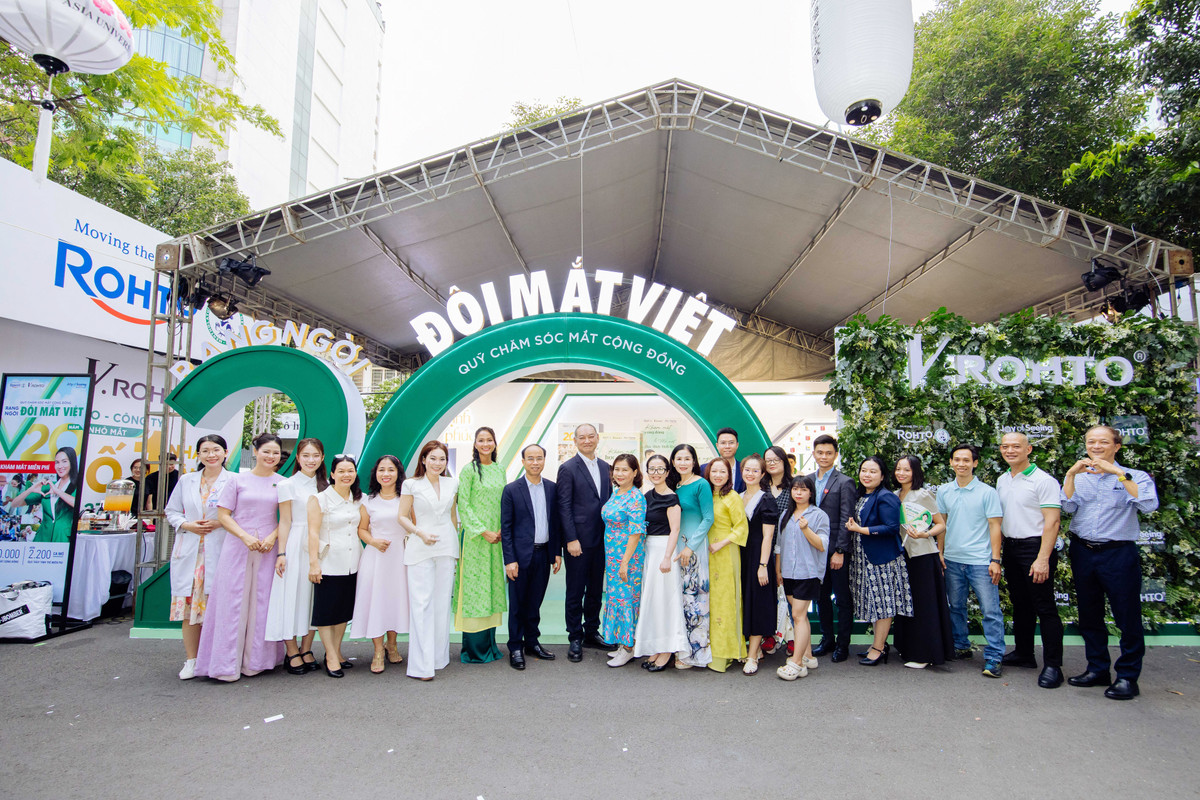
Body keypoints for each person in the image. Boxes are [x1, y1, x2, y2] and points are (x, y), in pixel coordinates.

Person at [1061, 425, 1158, 700]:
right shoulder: (1081, 476)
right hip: (1083, 551)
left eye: (1103, 442)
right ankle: (1097, 669)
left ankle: (1127, 676)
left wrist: (1118, 473)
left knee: (1127, 616)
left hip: (1118, 553)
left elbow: (1148, 505)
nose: (1096, 446)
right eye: (1091, 441)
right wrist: (1070, 475)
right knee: (1089, 615)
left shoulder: (1134, 476)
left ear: (1116, 446)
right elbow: (1066, 506)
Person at [194, 433, 286, 681]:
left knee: (262, 602)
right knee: (231, 602)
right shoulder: (237, 480)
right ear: (255, 452)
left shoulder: (283, 483)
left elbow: (288, 518)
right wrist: (244, 537)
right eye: (266, 451)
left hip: (267, 548)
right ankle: (224, 664)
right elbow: (223, 516)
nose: (271, 456)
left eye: (275, 453)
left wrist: (272, 538)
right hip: (237, 546)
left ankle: (257, 661)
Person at [996, 433, 1065, 689]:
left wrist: (1043, 558)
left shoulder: (1043, 480)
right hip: (1012, 548)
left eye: (1016, 446)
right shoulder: (1003, 479)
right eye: (1005, 446)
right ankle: (1025, 653)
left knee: (1044, 607)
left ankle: (1053, 666)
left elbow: (1053, 522)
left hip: (1035, 548)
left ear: (1029, 449)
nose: (1010, 450)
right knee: (1020, 604)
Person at [164, 435, 234, 680]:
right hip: (191, 554)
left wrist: (221, 522)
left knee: (219, 610)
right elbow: (171, 511)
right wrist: (187, 524)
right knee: (190, 611)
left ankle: (217, 659)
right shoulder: (187, 480)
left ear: (225, 452)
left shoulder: (234, 480)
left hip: (220, 550)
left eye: (216, 450)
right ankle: (192, 660)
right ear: (198, 455)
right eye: (205, 451)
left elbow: (242, 514)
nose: (211, 455)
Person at [936, 444, 1005, 678]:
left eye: (966, 460)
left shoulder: (987, 492)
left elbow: (995, 526)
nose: (961, 464)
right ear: (951, 462)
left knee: (990, 611)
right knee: (956, 607)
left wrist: (995, 559)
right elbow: (942, 524)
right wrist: (940, 552)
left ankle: (994, 656)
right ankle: (961, 645)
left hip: (981, 561)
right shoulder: (944, 491)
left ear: (975, 463)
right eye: (957, 459)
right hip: (952, 560)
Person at [397, 441, 460, 681]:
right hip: (420, 547)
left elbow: (452, 516)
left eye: (442, 459)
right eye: (432, 458)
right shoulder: (411, 484)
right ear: (423, 460)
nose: (437, 463)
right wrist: (419, 532)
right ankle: (421, 666)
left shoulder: (452, 483)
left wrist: (455, 547)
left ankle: (437, 659)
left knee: (441, 604)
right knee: (421, 604)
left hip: (446, 547)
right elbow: (402, 516)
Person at [265, 437, 327, 674]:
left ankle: (307, 648)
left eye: (315, 456)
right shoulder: (287, 485)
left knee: (313, 599)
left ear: (322, 458)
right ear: (298, 458)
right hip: (294, 544)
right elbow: (285, 521)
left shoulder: (326, 486)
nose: (311, 460)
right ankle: (291, 651)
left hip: (319, 546)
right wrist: (281, 553)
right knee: (290, 596)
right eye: (306, 456)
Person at [846, 455, 912, 667]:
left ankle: (878, 648)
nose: (867, 475)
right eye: (864, 470)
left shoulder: (886, 497)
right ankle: (878, 644)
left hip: (881, 561)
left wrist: (861, 529)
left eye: (873, 471)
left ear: (882, 476)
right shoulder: (862, 495)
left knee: (883, 605)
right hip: (863, 559)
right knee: (874, 604)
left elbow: (891, 528)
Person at [500, 444, 562, 670]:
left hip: (543, 554)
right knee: (518, 604)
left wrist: (556, 552)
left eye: (539, 458)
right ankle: (515, 646)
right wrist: (509, 560)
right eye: (531, 458)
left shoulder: (552, 488)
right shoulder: (511, 490)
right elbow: (506, 528)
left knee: (535, 602)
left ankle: (532, 642)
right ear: (523, 461)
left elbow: (555, 523)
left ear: (544, 460)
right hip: (519, 557)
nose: (535, 462)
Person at [307, 455, 367, 678]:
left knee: (343, 610)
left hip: (352, 562)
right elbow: (313, 532)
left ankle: (337, 651)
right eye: (341, 471)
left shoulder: (359, 499)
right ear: (332, 474)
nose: (346, 475)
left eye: (350, 470)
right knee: (326, 611)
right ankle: (330, 656)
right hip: (328, 562)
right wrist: (314, 563)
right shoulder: (319, 499)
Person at [891, 455, 953, 669]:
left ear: (915, 472)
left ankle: (925, 654)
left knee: (924, 605)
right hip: (902, 556)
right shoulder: (894, 495)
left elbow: (940, 524)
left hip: (922, 555)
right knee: (907, 604)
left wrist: (925, 534)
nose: (901, 473)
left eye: (906, 470)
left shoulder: (922, 494)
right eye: (898, 469)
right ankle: (908, 648)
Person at [556, 423, 612, 662]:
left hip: (602, 540)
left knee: (595, 590)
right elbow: (564, 506)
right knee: (575, 590)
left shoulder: (606, 467)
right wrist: (571, 539)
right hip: (578, 542)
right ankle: (575, 637)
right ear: (575, 441)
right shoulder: (567, 468)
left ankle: (591, 631)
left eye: (591, 436)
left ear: (597, 438)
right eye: (582, 437)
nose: (587, 440)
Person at [351, 455, 410, 674]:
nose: (386, 474)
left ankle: (392, 645)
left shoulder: (406, 499)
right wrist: (374, 542)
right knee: (375, 601)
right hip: (375, 557)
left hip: (399, 558)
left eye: (391, 470)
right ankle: (377, 650)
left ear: (398, 473)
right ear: (375, 473)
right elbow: (361, 529)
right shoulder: (368, 501)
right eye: (381, 470)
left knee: (395, 601)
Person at [454, 427, 508, 664]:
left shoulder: (499, 469)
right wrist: (483, 531)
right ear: (475, 444)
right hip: (475, 539)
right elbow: (463, 505)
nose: (485, 444)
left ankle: (490, 645)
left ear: (495, 443)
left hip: (496, 539)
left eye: (489, 440)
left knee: (491, 587)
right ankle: (475, 649)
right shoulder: (469, 470)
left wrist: (501, 529)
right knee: (475, 589)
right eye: (481, 440)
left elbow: (504, 502)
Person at [633, 454, 688, 671]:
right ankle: (656, 647)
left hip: (665, 551)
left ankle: (667, 650)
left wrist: (667, 557)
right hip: (649, 550)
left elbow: (675, 529)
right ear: (647, 472)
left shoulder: (672, 498)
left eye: (660, 469)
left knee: (666, 600)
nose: (656, 473)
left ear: (667, 472)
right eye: (652, 469)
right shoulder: (646, 496)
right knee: (653, 600)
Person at [775, 475, 829, 680]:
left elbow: (822, 545)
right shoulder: (785, 514)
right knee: (801, 616)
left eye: (804, 489)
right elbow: (779, 545)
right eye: (795, 489)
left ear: (811, 493)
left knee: (798, 615)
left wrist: (806, 529)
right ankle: (808, 656)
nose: (799, 493)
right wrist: (778, 570)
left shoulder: (819, 515)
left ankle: (796, 663)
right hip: (788, 572)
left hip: (808, 572)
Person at [808, 434, 857, 662]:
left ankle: (843, 645)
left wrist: (840, 551)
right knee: (821, 598)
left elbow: (847, 518)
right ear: (814, 453)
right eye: (820, 452)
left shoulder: (845, 482)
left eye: (829, 453)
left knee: (843, 599)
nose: (824, 457)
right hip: (814, 550)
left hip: (836, 551)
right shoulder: (807, 480)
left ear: (835, 455)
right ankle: (827, 639)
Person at [669, 444, 714, 669]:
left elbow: (708, 518)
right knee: (680, 600)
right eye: (679, 458)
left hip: (693, 550)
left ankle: (697, 654)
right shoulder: (674, 486)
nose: (683, 462)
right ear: (673, 462)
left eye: (687, 458)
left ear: (694, 461)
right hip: (676, 549)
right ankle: (681, 649)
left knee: (696, 601)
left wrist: (690, 548)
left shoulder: (701, 484)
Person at [601, 453, 647, 667]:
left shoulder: (636, 498)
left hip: (628, 557)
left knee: (627, 599)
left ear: (635, 472)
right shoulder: (616, 492)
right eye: (617, 469)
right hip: (613, 556)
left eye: (625, 470)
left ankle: (629, 647)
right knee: (616, 598)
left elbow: (636, 532)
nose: (619, 474)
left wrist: (625, 561)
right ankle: (622, 643)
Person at [706, 457, 748, 672]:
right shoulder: (705, 496)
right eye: (714, 471)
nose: (718, 475)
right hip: (706, 553)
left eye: (723, 472)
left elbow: (741, 527)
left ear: (729, 475)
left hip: (725, 552)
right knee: (710, 602)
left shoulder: (732, 497)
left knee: (725, 601)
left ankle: (724, 653)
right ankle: (707, 650)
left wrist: (722, 543)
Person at [740, 454, 778, 675]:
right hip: (740, 556)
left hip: (758, 557)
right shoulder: (738, 496)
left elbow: (768, 536)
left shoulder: (766, 499)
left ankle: (752, 656)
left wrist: (763, 565)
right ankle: (755, 650)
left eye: (755, 470)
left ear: (763, 474)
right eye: (747, 469)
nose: (750, 474)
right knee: (744, 602)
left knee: (756, 604)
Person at [11, 447, 79, 543]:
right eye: (57, 462)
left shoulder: (78, 487)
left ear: (72, 462)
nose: (60, 466)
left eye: (64, 461)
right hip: (42, 540)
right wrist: (31, 489)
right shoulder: (47, 487)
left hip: (62, 539)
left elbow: (78, 505)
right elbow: (15, 503)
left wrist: (58, 491)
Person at [700, 428, 746, 492]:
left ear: (737, 445)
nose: (727, 446)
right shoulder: (704, 469)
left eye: (731, 443)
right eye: (723, 443)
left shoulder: (745, 470)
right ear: (717, 445)